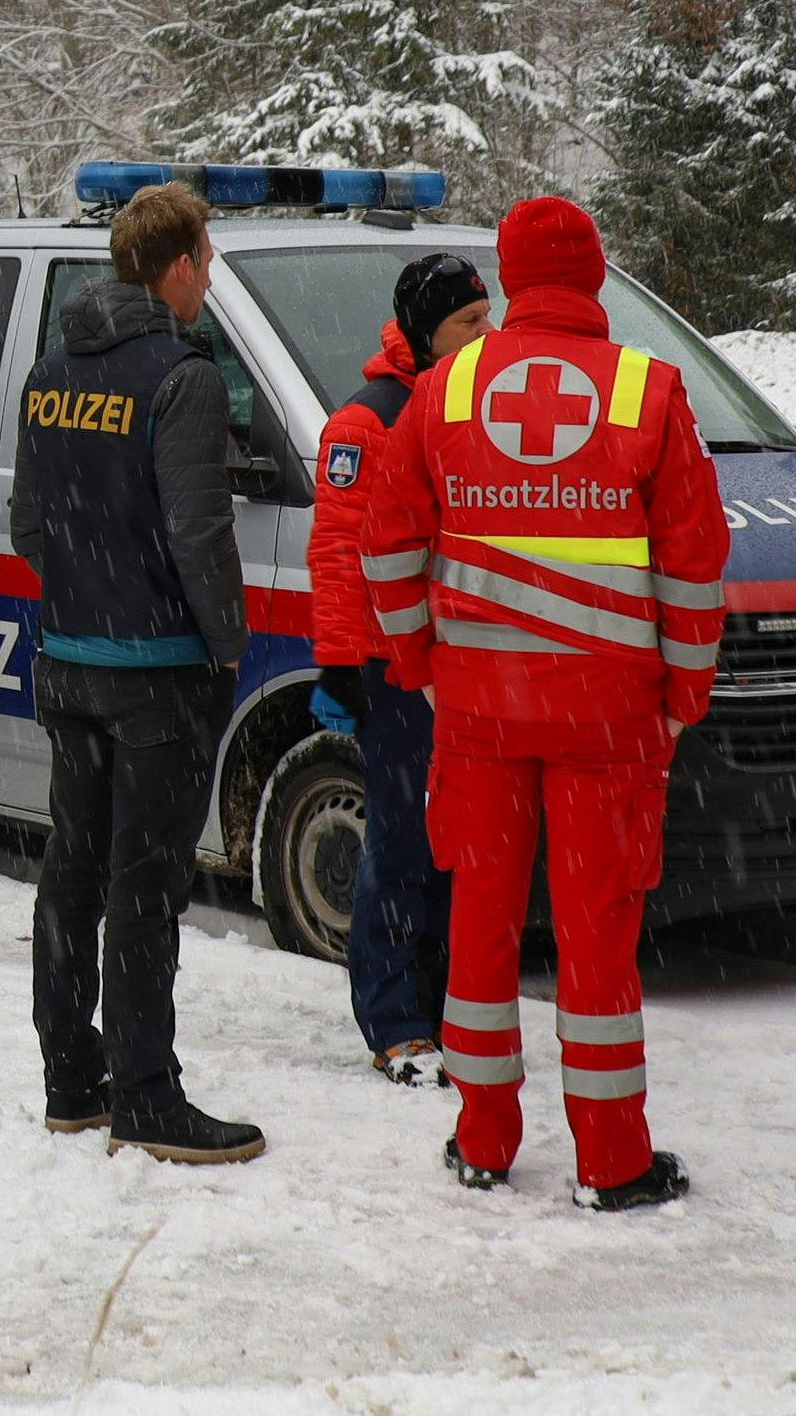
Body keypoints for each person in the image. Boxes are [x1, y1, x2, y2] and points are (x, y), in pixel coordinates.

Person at [359, 196, 728, 1212]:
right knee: (596, 934)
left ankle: (481, 1135)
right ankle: (610, 1159)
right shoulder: (647, 391)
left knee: (477, 924)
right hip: (608, 720)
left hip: (477, 716)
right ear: (597, 277)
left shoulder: (442, 389)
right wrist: (682, 694)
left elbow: (386, 546)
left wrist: (420, 663)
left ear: (509, 281)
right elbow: (693, 565)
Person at [9, 180, 263, 1164]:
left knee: (71, 877)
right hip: (160, 675)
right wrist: (225, 640)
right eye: (209, 258)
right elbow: (199, 533)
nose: (210, 278)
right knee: (145, 890)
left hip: (68, 664)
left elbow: (30, 526)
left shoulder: (50, 371)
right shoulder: (182, 376)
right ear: (182, 263)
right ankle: (149, 1098)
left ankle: (73, 1084)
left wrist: (88, 598)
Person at [305, 250, 494, 1085]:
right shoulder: (367, 422)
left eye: (487, 318)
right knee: (402, 841)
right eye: (467, 322)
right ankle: (395, 1021)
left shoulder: (485, 403)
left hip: (467, 665)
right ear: (424, 329)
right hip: (395, 670)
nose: (484, 336)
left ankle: (451, 1002)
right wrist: (343, 664)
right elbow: (340, 555)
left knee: (461, 840)